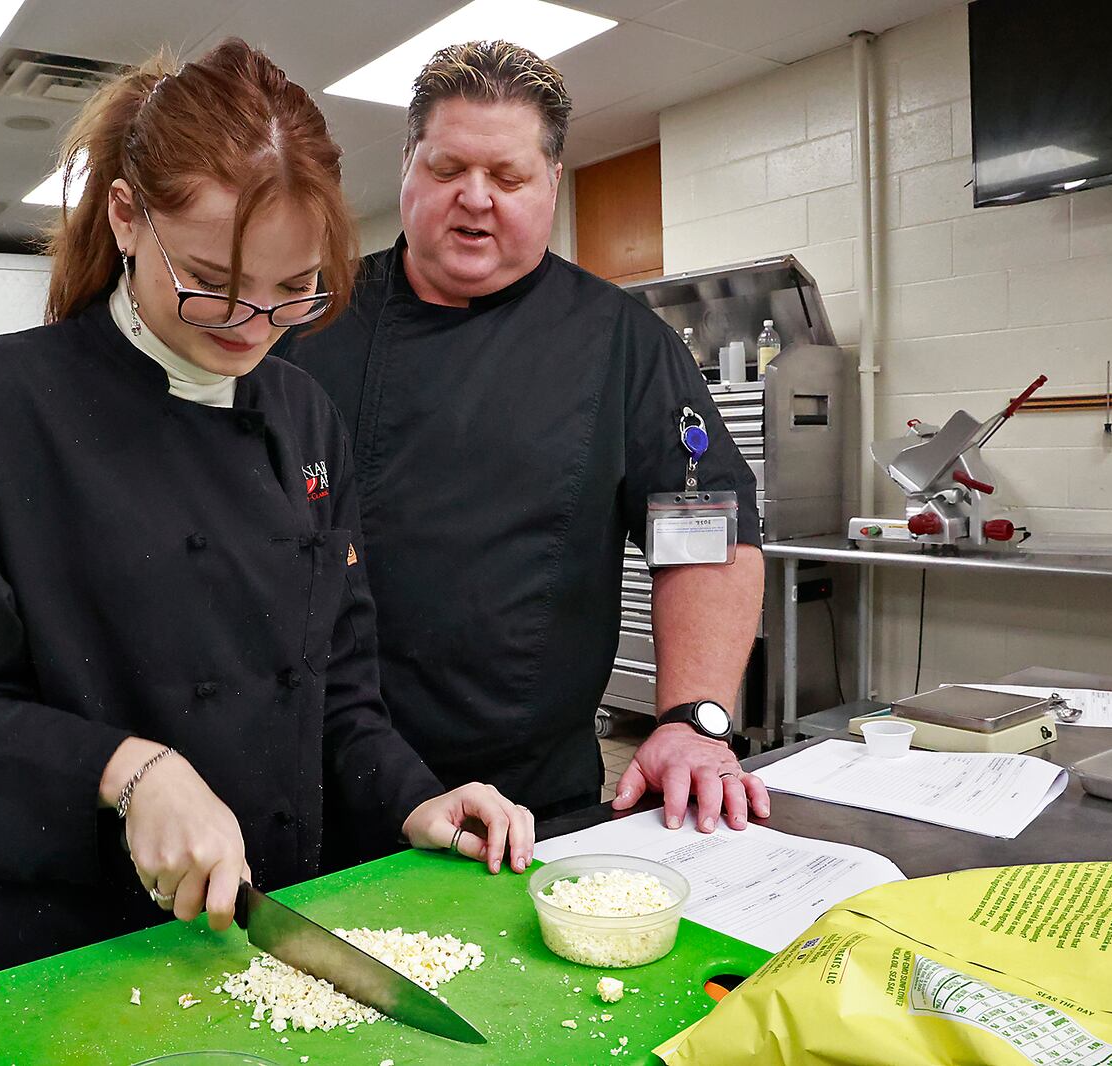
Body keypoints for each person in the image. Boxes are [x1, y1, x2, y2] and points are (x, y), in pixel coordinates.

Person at [0, 40, 534, 996]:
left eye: (293, 290)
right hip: (51, 965)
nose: (252, 324)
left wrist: (416, 799)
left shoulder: (305, 418)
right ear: (128, 218)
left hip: (260, 951)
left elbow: (337, 695)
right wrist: (126, 771)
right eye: (213, 281)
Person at [276, 41, 770, 841]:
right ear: (406, 164)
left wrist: (691, 718)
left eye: (507, 178)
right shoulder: (308, 322)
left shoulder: (621, 343)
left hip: (530, 802)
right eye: (446, 170)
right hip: (316, 785)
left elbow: (705, 532)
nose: (475, 199)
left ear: (551, 184)